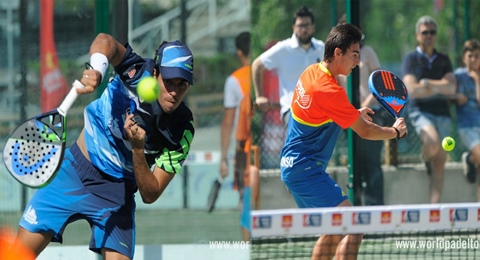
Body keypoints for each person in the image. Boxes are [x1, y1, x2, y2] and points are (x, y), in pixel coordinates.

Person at [14, 33, 195, 259]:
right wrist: (97, 70)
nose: (174, 92)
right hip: (74, 171)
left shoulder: (182, 129)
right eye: (169, 81)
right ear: (155, 73)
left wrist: (138, 149)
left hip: (117, 193)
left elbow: (151, 193)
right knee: (17, 255)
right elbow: (105, 41)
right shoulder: (137, 71)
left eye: (182, 84)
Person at [280, 23, 408, 259]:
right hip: (305, 170)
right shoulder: (330, 90)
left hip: (292, 167)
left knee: (333, 230)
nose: (358, 61)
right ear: (338, 53)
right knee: (354, 225)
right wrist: (394, 132)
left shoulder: (312, 73)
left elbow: (323, 114)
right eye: (355, 54)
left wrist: (352, 114)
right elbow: (366, 132)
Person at [337, 16, 392, 206]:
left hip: (371, 112)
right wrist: (350, 111)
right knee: (356, 164)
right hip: (349, 115)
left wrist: (365, 107)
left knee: (372, 163)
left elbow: (380, 83)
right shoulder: (337, 56)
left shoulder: (367, 52)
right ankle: (357, 209)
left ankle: (376, 211)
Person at [402, 15, 456, 204]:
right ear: (418, 35)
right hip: (420, 112)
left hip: (443, 113)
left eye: (432, 32)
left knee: (440, 163)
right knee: (433, 144)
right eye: (425, 32)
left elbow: (452, 88)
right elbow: (411, 91)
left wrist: (425, 84)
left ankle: (434, 212)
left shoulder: (443, 59)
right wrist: (439, 87)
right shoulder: (411, 59)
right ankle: (426, 156)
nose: (429, 36)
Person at [252, 5, 324, 127]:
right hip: (292, 111)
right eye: (300, 26)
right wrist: (259, 96)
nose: (304, 30)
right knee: (302, 140)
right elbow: (256, 65)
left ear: (313, 27)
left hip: (319, 111)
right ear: (294, 28)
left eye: (307, 25)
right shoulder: (283, 49)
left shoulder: (321, 48)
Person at [219, 32, 259, 241]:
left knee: (246, 206)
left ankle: (247, 247)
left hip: (245, 153)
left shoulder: (234, 81)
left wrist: (224, 158)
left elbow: (228, 122)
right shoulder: (264, 73)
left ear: (239, 52)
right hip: (268, 151)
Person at [455, 39, 480, 199]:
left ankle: (470, 160)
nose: (473, 60)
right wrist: (456, 95)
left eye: (477, 56)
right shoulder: (458, 75)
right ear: (464, 58)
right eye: (470, 56)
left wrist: (477, 80)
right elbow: (450, 93)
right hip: (468, 127)